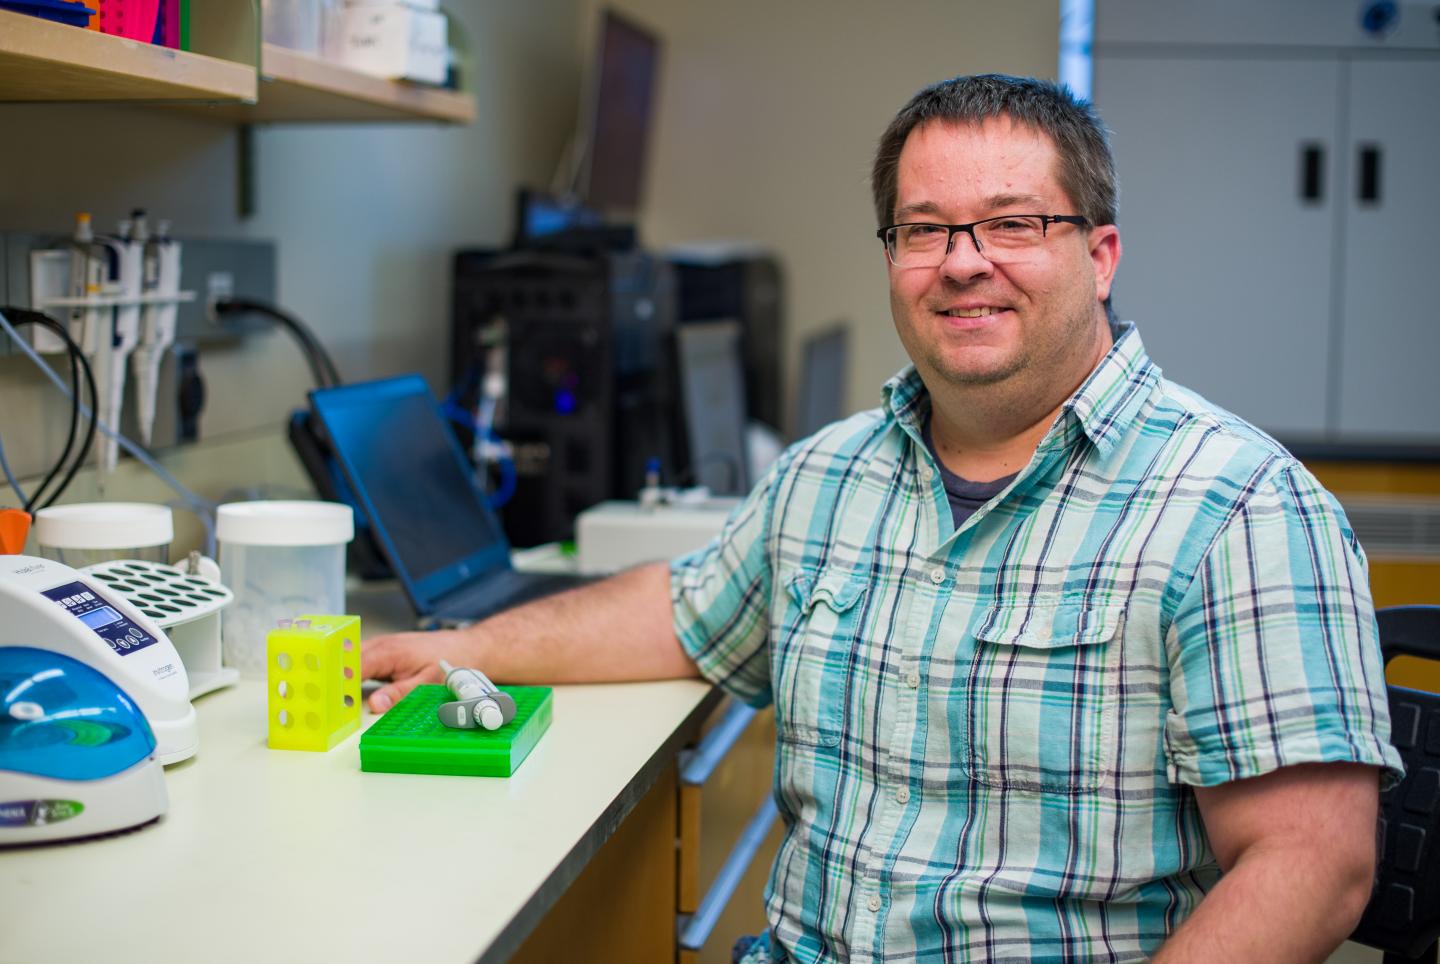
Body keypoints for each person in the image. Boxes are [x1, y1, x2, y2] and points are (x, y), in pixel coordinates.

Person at [363, 74, 1403, 962]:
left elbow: (1314, 864)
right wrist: (458, 647)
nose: (962, 260)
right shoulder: (830, 476)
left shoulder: (1241, 508)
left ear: (1100, 253)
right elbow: (682, 615)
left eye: (1012, 224)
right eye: (925, 229)